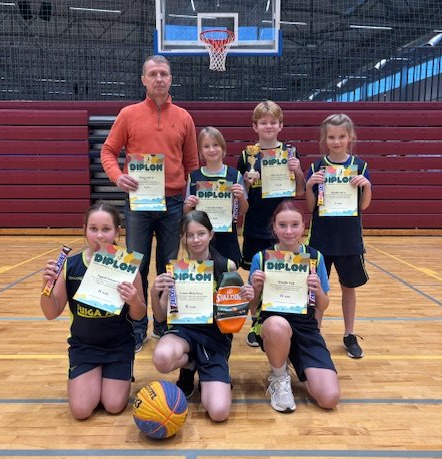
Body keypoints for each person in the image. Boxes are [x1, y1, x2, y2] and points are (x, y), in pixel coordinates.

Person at [100, 54, 199, 352]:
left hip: (173, 204)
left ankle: (163, 323)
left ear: (171, 79)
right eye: (153, 74)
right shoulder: (128, 114)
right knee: (137, 267)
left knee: (168, 267)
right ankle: (137, 326)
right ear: (143, 79)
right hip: (139, 203)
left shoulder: (184, 117)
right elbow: (108, 152)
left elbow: (192, 165)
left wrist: (191, 201)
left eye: (163, 74)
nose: (159, 78)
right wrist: (118, 177)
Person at [39, 201, 146, 420]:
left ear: (117, 231)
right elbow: (51, 313)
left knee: (113, 406)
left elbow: (139, 315)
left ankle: (119, 372)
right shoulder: (71, 265)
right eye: (93, 228)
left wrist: (134, 300)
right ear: (85, 230)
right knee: (81, 411)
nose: (99, 235)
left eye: (106, 229)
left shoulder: (128, 265)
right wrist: (46, 286)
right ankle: (88, 378)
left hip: (118, 346)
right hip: (84, 347)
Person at [151, 211, 254, 422]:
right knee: (162, 358)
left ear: (211, 234)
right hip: (183, 333)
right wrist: (154, 292)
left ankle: (211, 367)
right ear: (183, 238)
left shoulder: (227, 266)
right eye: (190, 235)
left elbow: (237, 312)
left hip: (215, 338)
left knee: (219, 412)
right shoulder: (175, 270)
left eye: (201, 233)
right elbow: (160, 317)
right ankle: (189, 365)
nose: (196, 240)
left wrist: (247, 297)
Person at [248, 200, 340, 413]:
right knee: (277, 326)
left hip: (306, 328)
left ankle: (292, 356)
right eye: (282, 225)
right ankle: (279, 378)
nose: (288, 231)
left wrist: (318, 290)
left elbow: (323, 305)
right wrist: (255, 288)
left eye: (294, 225)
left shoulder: (315, 258)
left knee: (329, 399)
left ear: (303, 226)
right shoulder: (261, 258)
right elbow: (252, 308)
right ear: (274, 227)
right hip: (272, 325)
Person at [237, 100, 305, 347]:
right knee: (256, 277)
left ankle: (282, 321)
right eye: (263, 122)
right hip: (256, 224)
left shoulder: (290, 154)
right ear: (255, 126)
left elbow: (299, 191)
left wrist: (298, 171)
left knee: (281, 275)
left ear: (281, 125)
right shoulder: (247, 155)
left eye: (273, 122)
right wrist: (246, 182)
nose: (268, 126)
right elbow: (240, 197)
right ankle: (257, 322)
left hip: (283, 227)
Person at [305, 113, 372, 359]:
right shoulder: (316, 167)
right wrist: (310, 184)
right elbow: (310, 205)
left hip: (349, 240)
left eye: (341, 136)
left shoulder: (360, 167)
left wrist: (367, 185)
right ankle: (314, 334)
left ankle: (349, 334)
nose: (336, 141)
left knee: (348, 288)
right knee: (317, 287)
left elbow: (364, 205)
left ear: (350, 137)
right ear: (324, 139)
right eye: (331, 137)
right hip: (321, 239)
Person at [183, 126, 248, 270]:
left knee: (228, 274)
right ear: (200, 151)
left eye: (215, 145)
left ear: (223, 148)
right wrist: (188, 205)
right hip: (201, 239)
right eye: (206, 146)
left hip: (227, 238)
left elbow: (243, 210)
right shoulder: (194, 177)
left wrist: (241, 197)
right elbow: (187, 213)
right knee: (203, 274)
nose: (211, 149)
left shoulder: (234, 175)